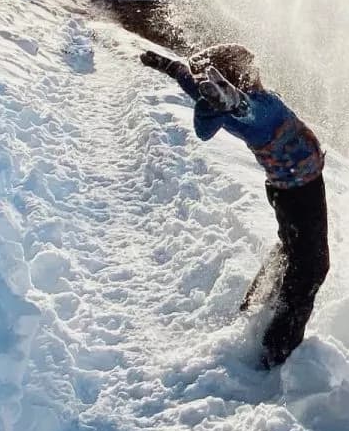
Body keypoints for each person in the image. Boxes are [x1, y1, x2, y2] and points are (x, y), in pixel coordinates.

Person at [138, 43, 329, 366]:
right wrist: (233, 100)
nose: (258, 71)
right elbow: (246, 108)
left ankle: (255, 307)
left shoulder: (214, 102)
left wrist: (172, 68)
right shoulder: (255, 107)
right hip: (300, 192)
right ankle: (276, 352)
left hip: (289, 189)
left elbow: (199, 88)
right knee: (310, 269)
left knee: (289, 249)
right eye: (251, 66)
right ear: (240, 77)